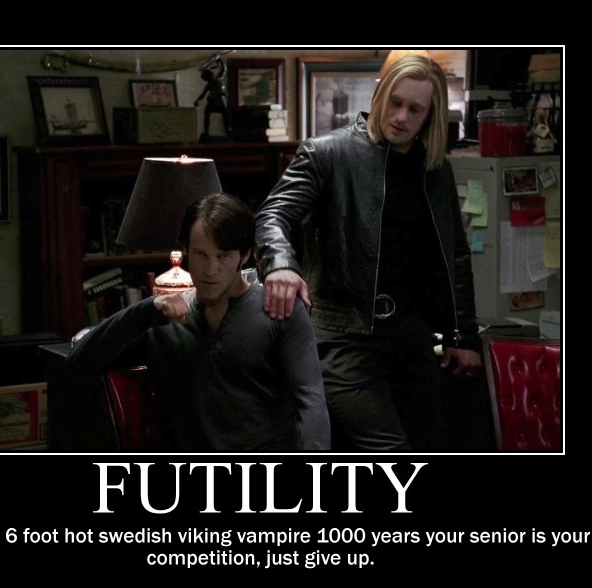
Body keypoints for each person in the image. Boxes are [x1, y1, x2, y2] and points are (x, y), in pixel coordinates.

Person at [254, 53, 482, 452]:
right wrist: (280, 266)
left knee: (431, 444)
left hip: (412, 336)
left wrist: (463, 334)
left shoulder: (435, 170)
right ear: (380, 96)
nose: (401, 117)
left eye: (415, 109)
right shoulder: (327, 153)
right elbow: (272, 215)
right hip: (345, 335)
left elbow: (455, 256)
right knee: (389, 448)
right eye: (396, 102)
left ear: (430, 115)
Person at [65, 192, 330, 452]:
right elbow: (79, 360)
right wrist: (147, 310)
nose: (211, 270)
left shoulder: (279, 309)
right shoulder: (162, 319)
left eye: (223, 256)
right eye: (201, 254)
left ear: (245, 255)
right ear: (185, 251)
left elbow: (311, 402)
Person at [193, 56, 231, 140]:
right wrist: (197, 100)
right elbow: (203, 94)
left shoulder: (218, 79)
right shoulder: (210, 84)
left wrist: (219, 60)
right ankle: (207, 132)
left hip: (218, 101)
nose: (209, 79)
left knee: (225, 115)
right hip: (213, 101)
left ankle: (228, 130)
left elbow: (223, 69)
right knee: (208, 115)